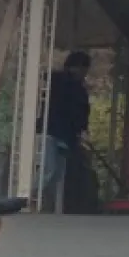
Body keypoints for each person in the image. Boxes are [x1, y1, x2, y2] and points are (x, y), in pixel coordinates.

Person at [40, 51, 92, 212]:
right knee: (50, 171)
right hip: (56, 132)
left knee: (55, 172)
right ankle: (28, 198)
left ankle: (54, 206)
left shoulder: (57, 83)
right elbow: (77, 112)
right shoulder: (70, 86)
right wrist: (81, 129)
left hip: (59, 133)